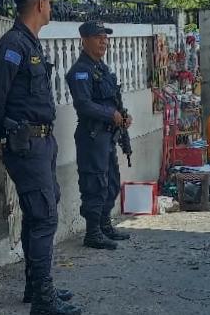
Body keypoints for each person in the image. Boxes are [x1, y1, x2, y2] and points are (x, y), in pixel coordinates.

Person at [0, 0, 80, 315]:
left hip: (40, 143)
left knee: (38, 213)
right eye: (50, 1)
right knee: (43, 217)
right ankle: (43, 298)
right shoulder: (13, 45)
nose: (51, 6)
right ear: (40, 4)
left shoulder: (29, 42)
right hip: (25, 144)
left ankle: (34, 286)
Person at [66, 20, 132, 250]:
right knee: (94, 183)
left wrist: (123, 117)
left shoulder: (102, 69)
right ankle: (92, 232)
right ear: (84, 40)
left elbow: (112, 99)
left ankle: (104, 225)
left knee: (111, 182)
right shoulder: (80, 72)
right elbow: (83, 105)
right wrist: (110, 114)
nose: (104, 41)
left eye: (105, 37)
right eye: (98, 37)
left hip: (107, 137)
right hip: (92, 136)